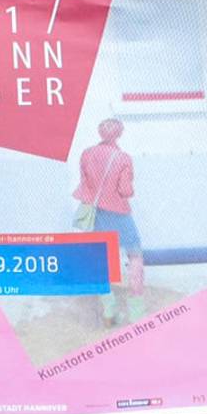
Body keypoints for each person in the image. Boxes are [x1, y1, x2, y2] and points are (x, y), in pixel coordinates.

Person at [72, 118, 145, 324]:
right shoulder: (123, 158)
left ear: (100, 133)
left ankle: (109, 311)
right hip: (118, 214)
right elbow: (125, 190)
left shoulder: (86, 154)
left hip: (95, 214)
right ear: (119, 134)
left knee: (99, 261)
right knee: (135, 255)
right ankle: (137, 311)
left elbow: (85, 185)